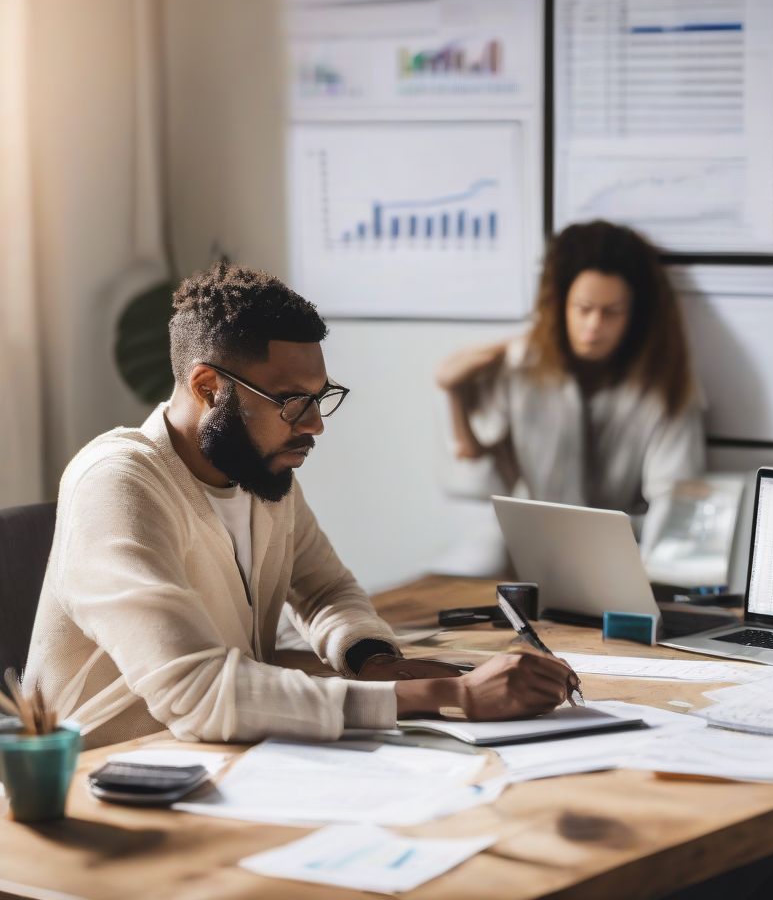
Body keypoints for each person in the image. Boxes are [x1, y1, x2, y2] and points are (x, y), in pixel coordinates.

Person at [25, 262, 571, 748]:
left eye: (319, 397)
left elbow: (326, 589)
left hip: (231, 759)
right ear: (210, 387)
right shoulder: (118, 484)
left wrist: (373, 661)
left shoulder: (257, 470)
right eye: (292, 402)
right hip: (106, 779)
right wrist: (452, 694)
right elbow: (197, 691)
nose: (314, 424)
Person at [436, 220, 705, 554]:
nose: (594, 325)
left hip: (620, 554)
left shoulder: (666, 388)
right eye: (583, 309)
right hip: (527, 548)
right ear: (559, 305)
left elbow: (674, 499)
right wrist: (454, 394)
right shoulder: (521, 368)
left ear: (635, 315)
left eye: (612, 312)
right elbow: (477, 484)